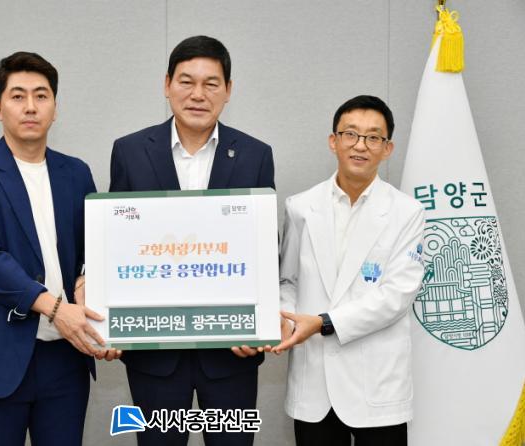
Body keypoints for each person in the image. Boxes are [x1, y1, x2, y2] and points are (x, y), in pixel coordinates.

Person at [109, 35, 275, 446]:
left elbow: (262, 251)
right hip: (154, 354)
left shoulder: (255, 155)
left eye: (211, 83)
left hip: (232, 352)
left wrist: (259, 324)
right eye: (186, 81)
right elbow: (116, 244)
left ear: (228, 90)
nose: (198, 94)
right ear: (167, 84)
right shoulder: (129, 152)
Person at [0, 51, 111, 446]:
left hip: (65, 356)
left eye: (41, 95)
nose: (31, 106)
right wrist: (56, 308)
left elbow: (94, 250)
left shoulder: (76, 172)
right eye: (18, 96)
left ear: (55, 108)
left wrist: (87, 281)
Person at [273, 95, 425, 445]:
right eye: (351, 134)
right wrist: (286, 318)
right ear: (334, 141)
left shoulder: (407, 213)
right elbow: (288, 280)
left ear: (387, 148)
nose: (360, 145)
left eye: (373, 137)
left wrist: (323, 322)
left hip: (377, 382)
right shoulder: (300, 207)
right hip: (315, 384)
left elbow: (396, 296)